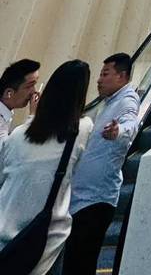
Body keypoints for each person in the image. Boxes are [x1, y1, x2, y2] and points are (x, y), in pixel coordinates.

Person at [0, 60, 93, 275]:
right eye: (30, 85)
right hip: (46, 240)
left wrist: (33, 119)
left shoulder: (17, 135)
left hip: (6, 235)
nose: (34, 91)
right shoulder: (82, 129)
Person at [63, 53, 139, 275]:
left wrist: (118, 131)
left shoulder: (127, 100)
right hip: (82, 198)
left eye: (105, 74)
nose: (99, 80)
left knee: (80, 263)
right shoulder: (107, 104)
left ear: (122, 76)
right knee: (76, 262)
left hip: (96, 200)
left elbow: (130, 124)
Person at [0, 58, 41, 141]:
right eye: (29, 86)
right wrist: (33, 115)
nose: (34, 91)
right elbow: (12, 147)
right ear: (9, 93)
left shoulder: (5, 113)